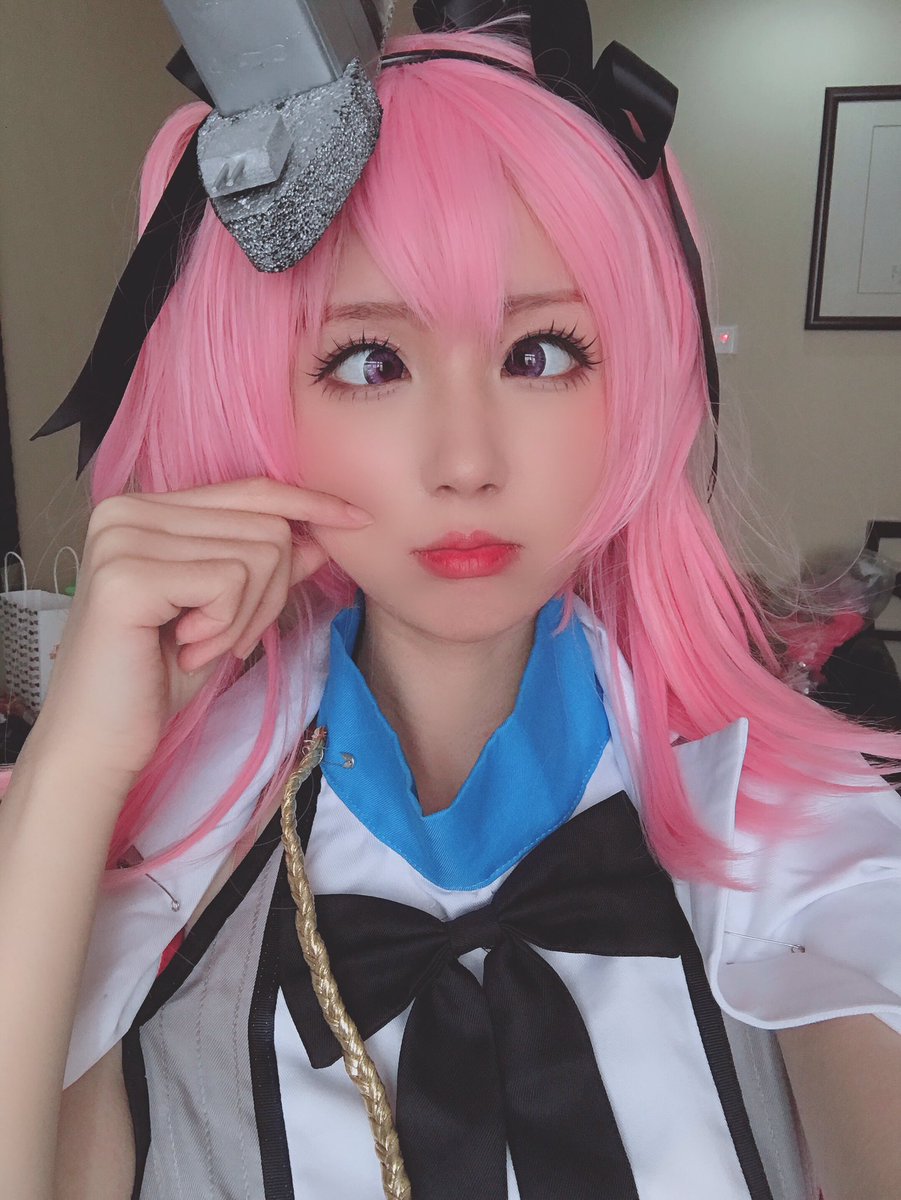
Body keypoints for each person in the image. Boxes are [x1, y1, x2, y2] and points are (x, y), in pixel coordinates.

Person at [1, 10, 900, 1200]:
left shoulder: (792, 841)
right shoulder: (151, 878)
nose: (466, 462)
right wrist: (73, 766)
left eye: (541, 354)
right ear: (260, 399)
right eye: (369, 362)